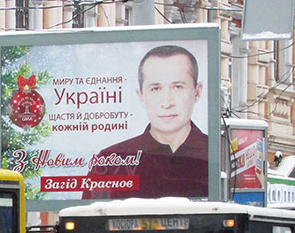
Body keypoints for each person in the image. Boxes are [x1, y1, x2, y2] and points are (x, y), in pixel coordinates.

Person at [83, 45, 209, 199]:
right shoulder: (111, 161)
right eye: (156, 89)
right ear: (141, 96)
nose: (167, 102)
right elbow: (89, 219)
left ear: (197, 92)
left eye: (177, 87)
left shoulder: (216, 154)